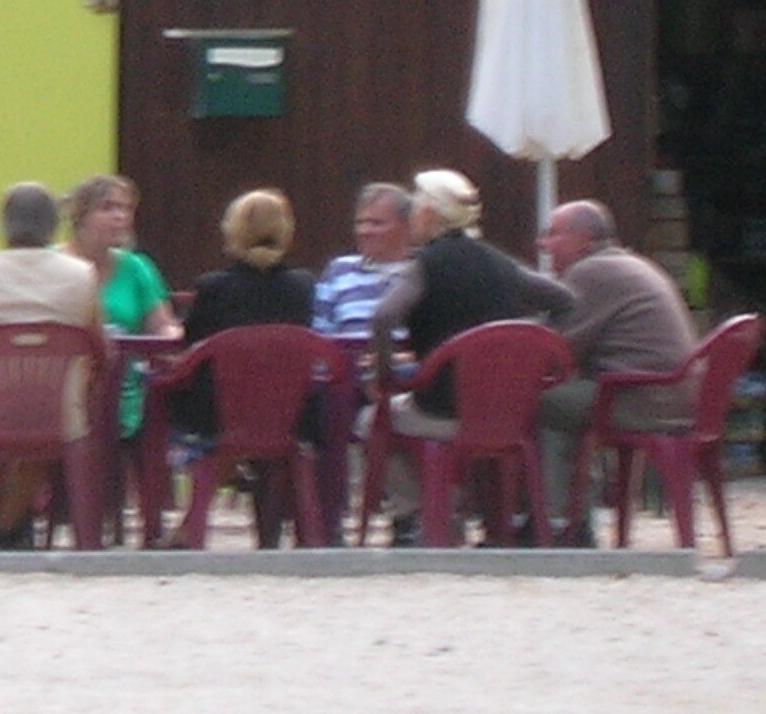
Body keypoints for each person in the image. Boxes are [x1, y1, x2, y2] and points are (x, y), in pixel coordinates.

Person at [365, 169, 571, 541]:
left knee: (370, 422)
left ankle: (417, 516)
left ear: (429, 214)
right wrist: (528, 345)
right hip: (503, 411)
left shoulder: (425, 265)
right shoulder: (499, 262)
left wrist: (383, 376)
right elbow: (564, 300)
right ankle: (472, 519)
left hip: (442, 407)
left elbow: (383, 318)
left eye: (414, 208)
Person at [0, 182, 106, 546]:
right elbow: (100, 350)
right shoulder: (82, 276)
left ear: (3, 225)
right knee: (43, 414)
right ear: (53, 227)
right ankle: (8, 526)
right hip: (57, 411)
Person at [536, 199, 700, 545]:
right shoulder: (631, 265)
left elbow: (555, 350)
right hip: (670, 395)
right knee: (568, 402)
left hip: (640, 398)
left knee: (537, 406)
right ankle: (572, 517)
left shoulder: (590, 273)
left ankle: (557, 524)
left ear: (584, 240)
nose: (542, 244)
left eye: (553, 234)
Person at [169, 188, 315, 439]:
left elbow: (190, 346)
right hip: (291, 414)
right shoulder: (304, 287)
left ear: (233, 231)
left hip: (218, 417)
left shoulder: (212, 287)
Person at [61, 173, 180, 440]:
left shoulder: (137, 267)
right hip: (64, 385)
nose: (120, 216)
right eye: (108, 208)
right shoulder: (53, 265)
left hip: (126, 387)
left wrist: (173, 336)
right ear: (81, 217)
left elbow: (163, 327)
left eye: (126, 208)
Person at [311, 181, 414, 344]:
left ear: (406, 226)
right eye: (360, 223)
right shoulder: (339, 270)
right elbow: (320, 338)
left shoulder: (423, 272)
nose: (364, 231)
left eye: (376, 223)